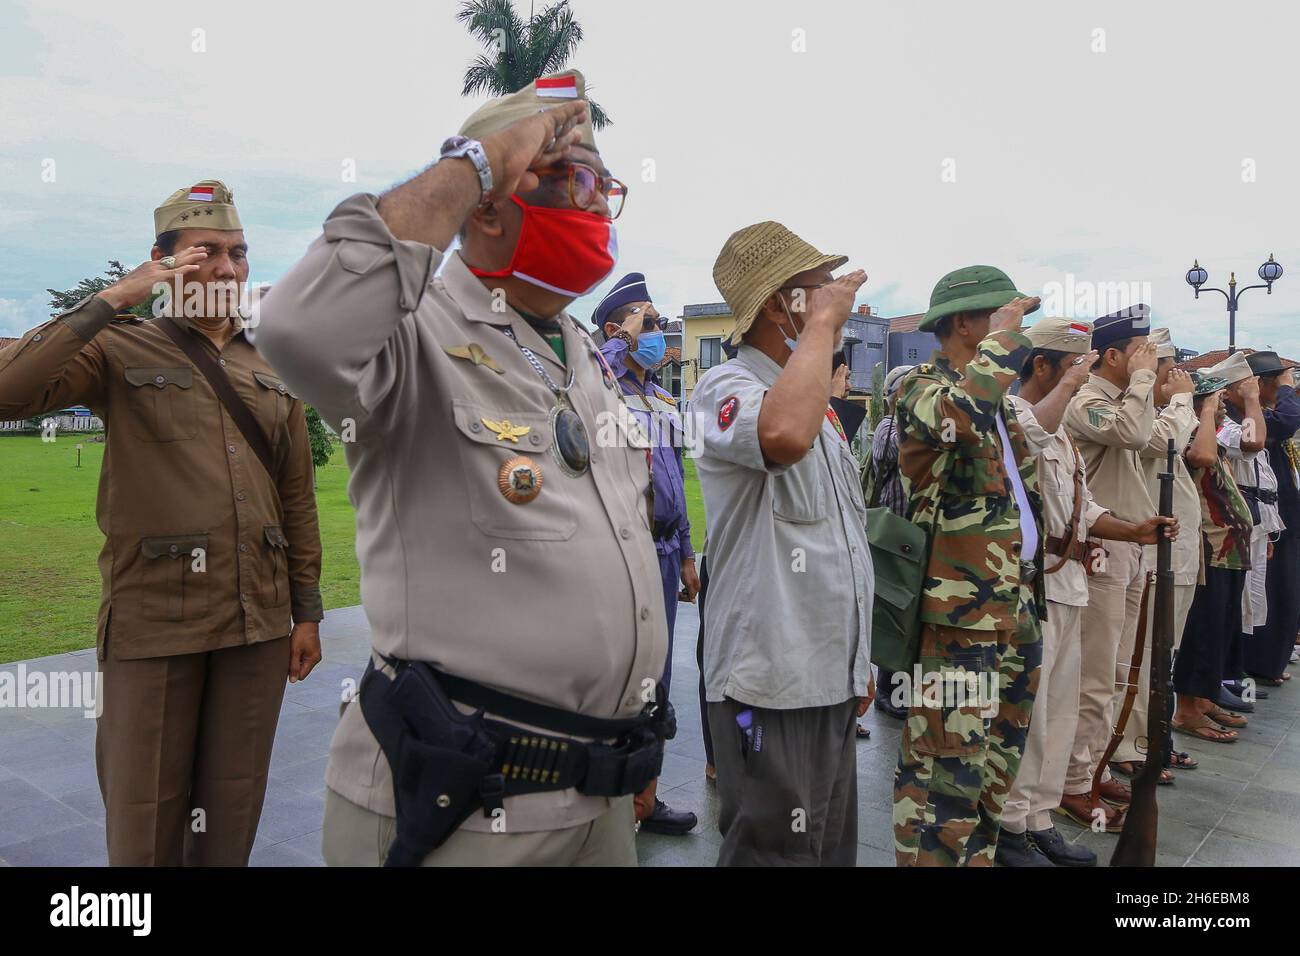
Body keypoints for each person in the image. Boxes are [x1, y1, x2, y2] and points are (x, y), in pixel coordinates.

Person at [258, 71, 674, 866]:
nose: (593, 202)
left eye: (603, 184)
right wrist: (482, 156)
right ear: (485, 202)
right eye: (568, 176)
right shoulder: (412, 335)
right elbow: (298, 328)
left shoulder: (583, 353)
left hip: (601, 799)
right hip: (463, 806)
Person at [0, 180, 324, 865]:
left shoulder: (271, 365)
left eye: (238, 253)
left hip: (258, 621)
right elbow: (9, 392)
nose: (227, 268)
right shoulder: (119, 348)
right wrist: (119, 296)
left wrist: (307, 609)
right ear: (161, 259)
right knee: (146, 813)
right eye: (206, 250)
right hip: (156, 621)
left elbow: (297, 496)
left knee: (232, 806)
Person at [691, 221, 873, 866]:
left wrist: (859, 661)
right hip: (769, 680)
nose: (837, 299)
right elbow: (782, 438)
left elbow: (840, 545)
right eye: (817, 288)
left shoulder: (815, 402)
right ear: (778, 304)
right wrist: (822, 326)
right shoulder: (727, 387)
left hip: (826, 673)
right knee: (774, 853)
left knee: (825, 848)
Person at [997, 318, 1177, 866]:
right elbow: (1031, 444)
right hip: (1039, 584)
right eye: (1072, 366)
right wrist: (1074, 388)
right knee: (1031, 714)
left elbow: (1079, 504)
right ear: (1043, 366)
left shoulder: (1061, 431)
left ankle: (1040, 815)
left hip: (1072, 579)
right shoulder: (1016, 417)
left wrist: (1130, 528)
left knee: (1060, 709)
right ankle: (1010, 824)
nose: (1082, 375)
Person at [892, 265, 1044, 867]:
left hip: (1013, 607)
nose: (1017, 333)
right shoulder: (918, 388)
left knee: (996, 763)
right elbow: (956, 418)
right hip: (960, 618)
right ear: (964, 324)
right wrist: (1005, 341)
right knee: (944, 768)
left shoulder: (999, 404)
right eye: (1001, 318)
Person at [594, 272, 699, 837]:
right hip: (619, 552)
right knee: (620, 676)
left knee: (657, 679)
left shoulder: (659, 398)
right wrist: (620, 341)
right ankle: (607, 809)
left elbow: (674, 480)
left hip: (662, 552)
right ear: (618, 330)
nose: (660, 334)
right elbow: (585, 377)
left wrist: (686, 554)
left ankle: (645, 799)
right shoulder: (601, 383)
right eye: (649, 323)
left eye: (660, 323)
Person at [1058, 306, 1157, 830]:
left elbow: (1162, 438)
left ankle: (1092, 765)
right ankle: (1073, 782)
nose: (1152, 362)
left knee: (1119, 670)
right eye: (1140, 353)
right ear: (1113, 355)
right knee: (1095, 673)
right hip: (1102, 543)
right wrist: (1144, 380)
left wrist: (1145, 385)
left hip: (1131, 541)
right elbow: (1137, 437)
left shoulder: (1126, 400)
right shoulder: (1087, 401)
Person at [1132, 328, 1204, 776]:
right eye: (1167, 370)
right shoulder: (1143, 414)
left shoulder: (1159, 412)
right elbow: (1163, 441)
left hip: (1176, 553)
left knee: (1165, 652)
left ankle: (1155, 736)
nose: (1175, 378)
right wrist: (1184, 401)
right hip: (1153, 555)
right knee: (1147, 656)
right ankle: (1141, 743)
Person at [1172, 365, 1255, 743]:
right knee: (1202, 632)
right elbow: (1201, 458)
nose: (1223, 406)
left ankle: (1203, 700)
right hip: (1210, 548)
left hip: (1230, 550)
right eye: (1218, 399)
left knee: (1221, 630)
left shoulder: (1212, 431)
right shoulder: (1192, 432)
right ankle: (1188, 709)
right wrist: (1204, 412)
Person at [1242, 351, 1300, 685]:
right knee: (1269, 591)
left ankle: (1272, 661)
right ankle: (1262, 664)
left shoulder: (1263, 413)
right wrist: (1287, 390)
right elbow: (1289, 421)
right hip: (1263, 518)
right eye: (1275, 381)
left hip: (1282, 514)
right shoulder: (1248, 415)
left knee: (1285, 591)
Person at [866, 364, 913, 722]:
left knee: (909, 614)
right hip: (892, 534)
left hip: (914, 537)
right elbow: (904, 453)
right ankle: (888, 690)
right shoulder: (887, 427)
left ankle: (903, 689)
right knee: (892, 613)